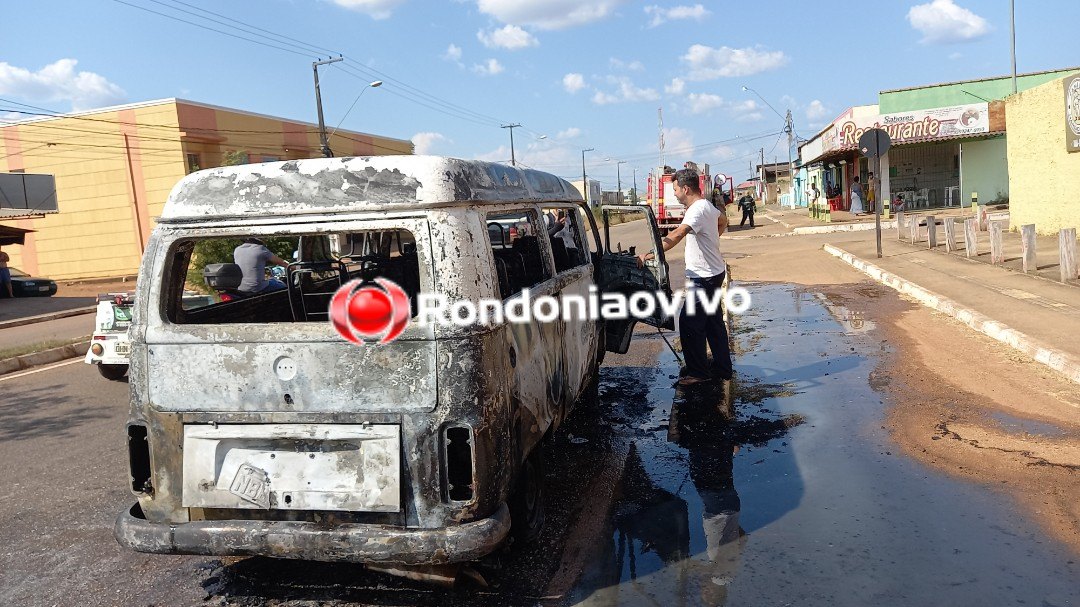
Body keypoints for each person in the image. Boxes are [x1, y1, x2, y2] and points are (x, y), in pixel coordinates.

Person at [638, 168, 732, 386]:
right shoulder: (706, 205)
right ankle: (722, 368)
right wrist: (712, 238)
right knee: (713, 324)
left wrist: (651, 254)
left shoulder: (696, 210)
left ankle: (698, 372)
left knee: (689, 323)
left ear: (686, 188)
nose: (676, 194)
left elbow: (677, 234)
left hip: (704, 277)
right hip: (714, 273)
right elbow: (723, 220)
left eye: (676, 189)